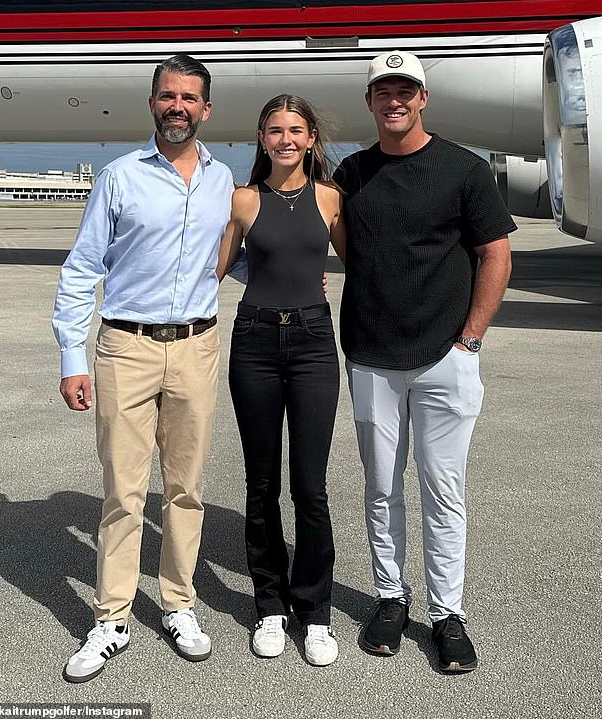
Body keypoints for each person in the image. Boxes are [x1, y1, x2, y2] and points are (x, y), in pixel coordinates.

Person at [52, 54, 235, 683]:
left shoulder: (222, 179)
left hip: (196, 347)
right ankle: (112, 617)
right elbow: (82, 269)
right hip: (125, 348)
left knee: (185, 488)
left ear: (206, 109)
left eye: (189, 97)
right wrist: (73, 357)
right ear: (152, 103)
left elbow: (230, 256)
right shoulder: (119, 177)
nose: (177, 106)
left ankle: (179, 603)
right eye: (167, 96)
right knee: (123, 491)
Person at [333, 51, 515, 672]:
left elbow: (496, 255)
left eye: (405, 91)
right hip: (372, 358)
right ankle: (390, 599)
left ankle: (447, 613)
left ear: (423, 99)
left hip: (445, 355)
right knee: (381, 488)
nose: (394, 101)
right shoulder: (352, 174)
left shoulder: (463, 169)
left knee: (443, 490)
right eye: (383, 91)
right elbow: (340, 244)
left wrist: (470, 339)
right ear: (370, 101)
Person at [216, 94, 345, 666]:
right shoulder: (242, 201)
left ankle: (314, 611)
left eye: (296, 130)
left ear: (311, 138)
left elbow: (365, 268)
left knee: (310, 487)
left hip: (316, 344)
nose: (286, 140)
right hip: (256, 342)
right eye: (275, 131)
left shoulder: (331, 199)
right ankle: (270, 604)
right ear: (261, 138)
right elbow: (212, 269)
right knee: (261, 482)